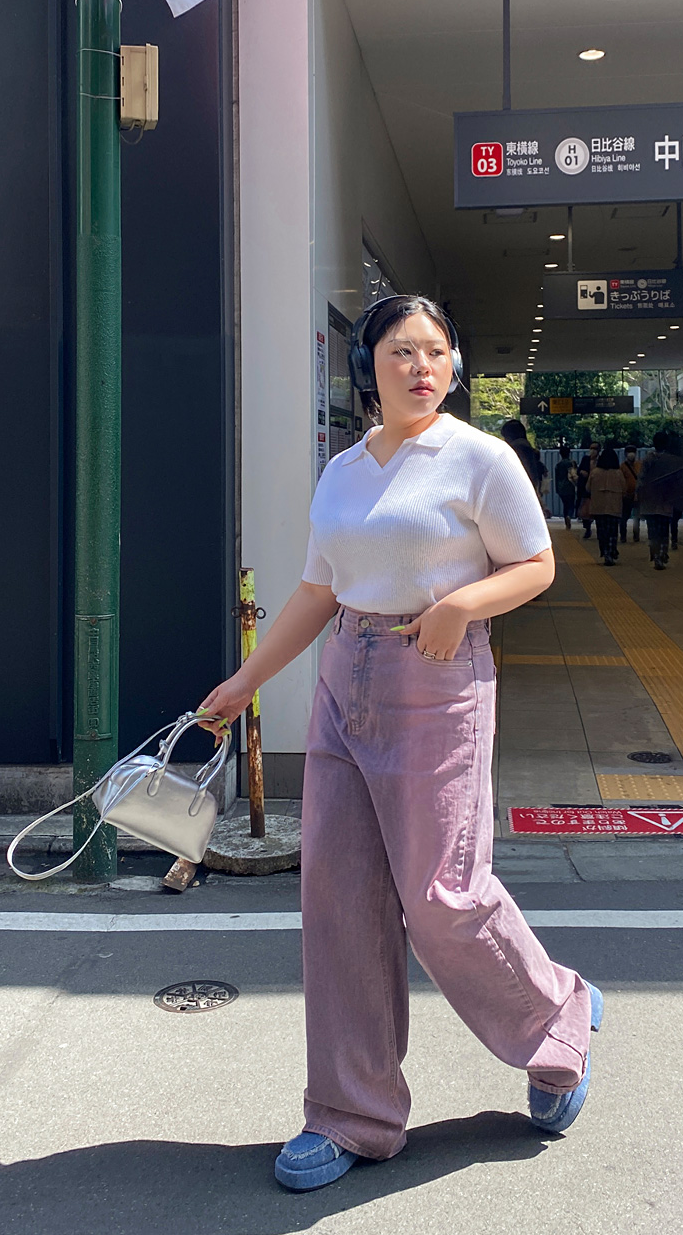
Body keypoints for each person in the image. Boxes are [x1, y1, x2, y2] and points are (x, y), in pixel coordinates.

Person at [198, 295, 603, 1192]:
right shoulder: (342, 470)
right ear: (367, 368)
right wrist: (246, 681)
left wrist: (461, 604)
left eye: (436, 351)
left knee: (443, 893)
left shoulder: (479, 457)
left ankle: (558, 1015)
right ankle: (350, 1112)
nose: (422, 366)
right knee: (338, 899)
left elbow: (535, 564)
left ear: (454, 366)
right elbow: (318, 591)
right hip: (346, 676)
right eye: (401, 352)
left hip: (438, 678)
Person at [637, 431, 683, 570]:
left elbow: (641, 479)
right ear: (667, 444)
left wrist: (639, 494)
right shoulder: (672, 461)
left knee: (653, 531)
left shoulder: (647, 459)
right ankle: (663, 553)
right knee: (664, 530)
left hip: (649, 500)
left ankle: (655, 554)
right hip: (666, 500)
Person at [587, 448, 624, 564]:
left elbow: (588, 487)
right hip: (614, 506)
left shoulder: (595, 472)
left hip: (598, 506)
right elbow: (624, 488)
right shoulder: (618, 473)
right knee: (612, 531)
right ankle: (612, 550)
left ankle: (605, 551)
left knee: (602, 531)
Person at [501, 419, 547, 509]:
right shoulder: (527, 447)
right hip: (529, 490)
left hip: (518, 491)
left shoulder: (517, 448)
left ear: (510, 435)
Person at [576, 439, 601, 539]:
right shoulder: (585, 459)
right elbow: (578, 471)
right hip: (586, 487)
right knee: (585, 509)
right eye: (591, 448)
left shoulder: (601, 460)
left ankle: (599, 529)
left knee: (598, 510)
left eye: (595, 448)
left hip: (597, 488)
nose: (592, 450)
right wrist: (582, 472)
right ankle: (587, 528)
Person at [619, 444, 641, 543]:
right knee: (624, 516)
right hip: (626, 495)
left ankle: (636, 535)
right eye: (629, 452)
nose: (631, 454)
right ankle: (623, 536)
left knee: (637, 517)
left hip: (638, 495)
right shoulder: (622, 467)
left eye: (633, 452)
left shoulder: (639, 465)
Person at [554, 445, 578, 528]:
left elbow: (556, 477)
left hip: (561, 487)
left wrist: (557, 489)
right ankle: (569, 515)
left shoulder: (558, 465)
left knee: (565, 504)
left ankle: (566, 521)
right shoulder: (572, 463)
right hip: (570, 486)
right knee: (571, 504)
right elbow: (574, 475)